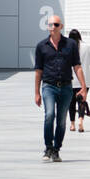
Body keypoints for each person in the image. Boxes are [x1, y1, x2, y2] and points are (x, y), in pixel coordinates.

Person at [33, 14, 86, 162]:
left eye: (56, 25)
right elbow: (38, 71)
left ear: (61, 27)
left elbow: (77, 66)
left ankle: (56, 149)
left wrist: (83, 86)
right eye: (50, 25)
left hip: (66, 88)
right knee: (50, 115)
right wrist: (36, 92)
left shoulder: (70, 45)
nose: (53, 27)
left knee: (62, 120)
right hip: (49, 86)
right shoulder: (41, 46)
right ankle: (48, 147)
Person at [67, 28, 90, 132]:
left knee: (71, 103)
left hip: (71, 80)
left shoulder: (68, 48)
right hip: (85, 80)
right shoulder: (88, 47)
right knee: (82, 101)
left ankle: (72, 124)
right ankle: (81, 122)